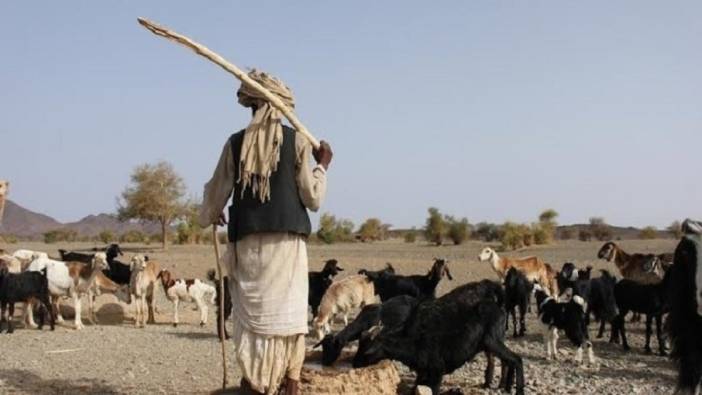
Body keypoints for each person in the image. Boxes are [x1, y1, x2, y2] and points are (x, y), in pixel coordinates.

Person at [199, 69, 332, 395]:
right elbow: (312, 198)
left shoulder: (235, 144)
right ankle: (290, 383)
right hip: (288, 250)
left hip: (249, 249)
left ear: (251, 106)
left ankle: (255, 384)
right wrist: (322, 166)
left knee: (255, 323)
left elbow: (214, 197)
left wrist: (212, 213)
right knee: (288, 321)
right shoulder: (298, 141)